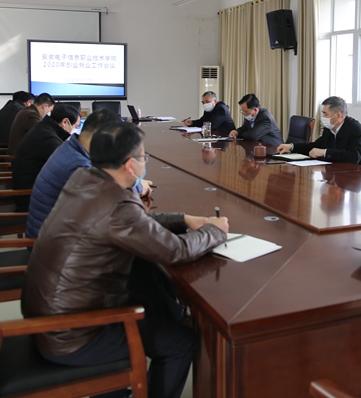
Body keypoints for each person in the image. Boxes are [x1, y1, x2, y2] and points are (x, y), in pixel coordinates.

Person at [21, 121, 229, 398]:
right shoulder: (116, 202)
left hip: (52, 314)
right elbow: (175, 251)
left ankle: (168, 319)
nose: (145, 162)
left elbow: (136, 222)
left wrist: (183, 219)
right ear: (131, 165)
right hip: (73, 335)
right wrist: (215, 231)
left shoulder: (85, 178)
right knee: (179, 343)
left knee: (144, 278)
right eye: (144, 157)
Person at [26, 108, 152, 239]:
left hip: (55, 231)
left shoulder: (72, 148)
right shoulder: (78, 165)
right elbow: (108, 198)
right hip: (55, 241)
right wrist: (138, 186)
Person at [12, 103, 80, 211]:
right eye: (75, 126)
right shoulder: (47, 137)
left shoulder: (44, 128)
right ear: (65, 122)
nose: (73, 130)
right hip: (30, 197)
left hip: (32, 189)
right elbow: (67, 166)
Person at [277, 96, 361, 166]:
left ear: (338, 116)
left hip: (358, 174)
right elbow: (316, 146)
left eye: (325, 114)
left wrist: (325, 152)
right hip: (336, 170)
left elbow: (353, 157)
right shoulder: (330, 128)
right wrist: (292, 146)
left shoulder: (356, 130)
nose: (323, 117)